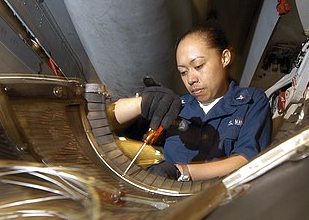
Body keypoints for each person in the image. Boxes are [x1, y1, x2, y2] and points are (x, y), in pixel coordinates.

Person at [109, 25, 272, 181]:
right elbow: (106, 124)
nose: (191, 79)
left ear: (225, 58)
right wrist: (141, 103)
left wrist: (181, 172)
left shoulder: (251, 101)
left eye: (199, 66)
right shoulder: (177, 106)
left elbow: (246, 160)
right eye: (183, 72)